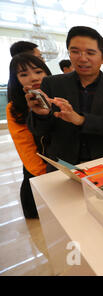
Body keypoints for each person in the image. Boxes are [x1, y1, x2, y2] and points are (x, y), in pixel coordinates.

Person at [26, 26, 103, 168]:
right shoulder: (52, 83)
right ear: (69, 54)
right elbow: (38, 131)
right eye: (75, 52)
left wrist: (81, 120)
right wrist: (41, 115)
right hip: (62, 165)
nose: (82, 58)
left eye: (90, 53)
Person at [7, 54, 51, 218]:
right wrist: (45, 174)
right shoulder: (15, 107)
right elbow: (25, 145)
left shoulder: (58, 95)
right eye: (23, 74)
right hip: (38, 168)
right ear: (16, 79)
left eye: (38, 71)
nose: (33, 78)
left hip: (61, 162)